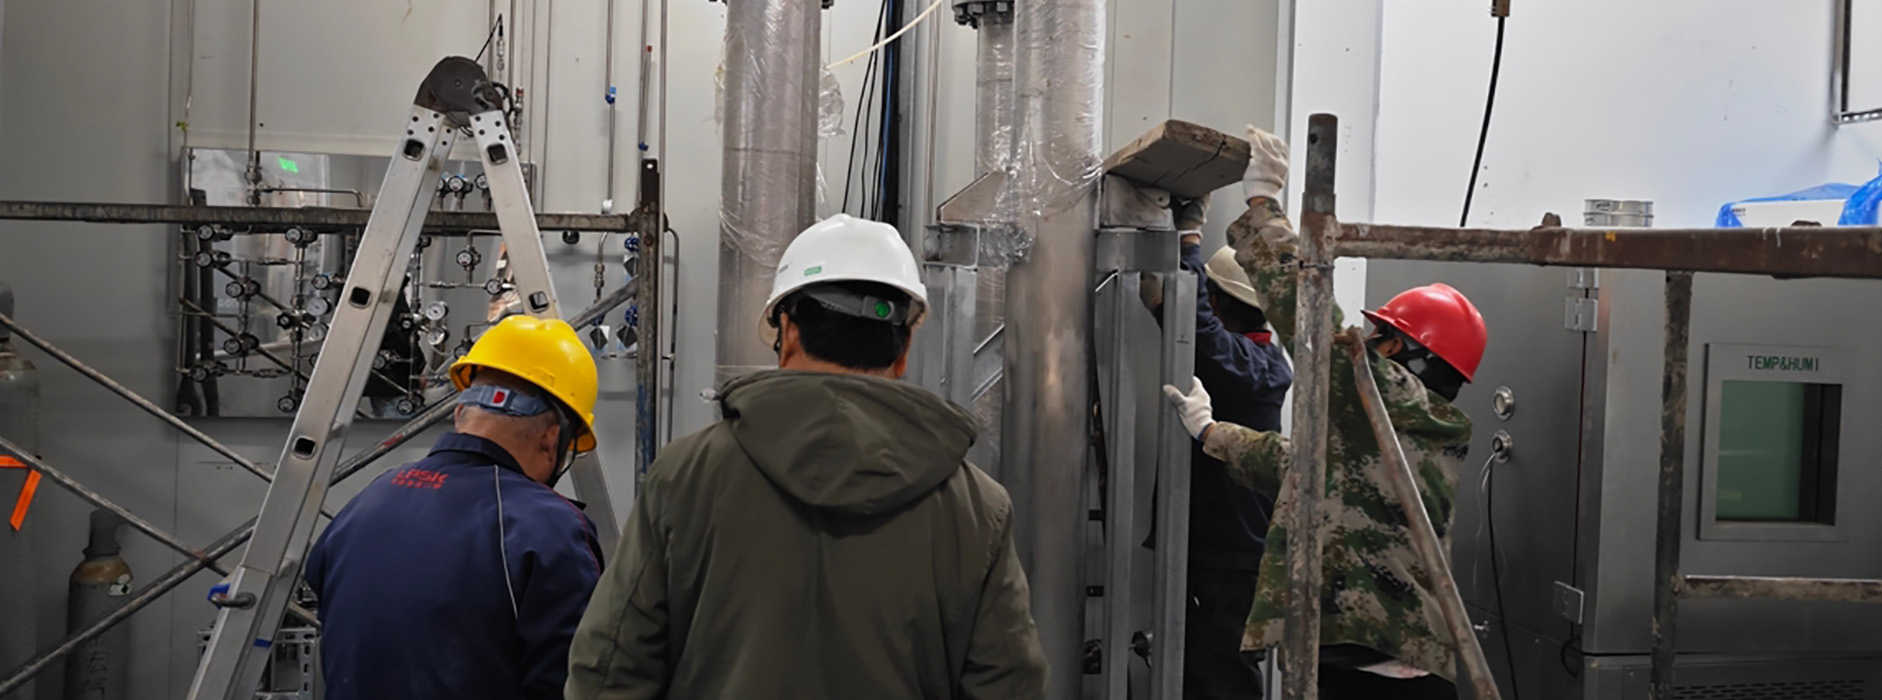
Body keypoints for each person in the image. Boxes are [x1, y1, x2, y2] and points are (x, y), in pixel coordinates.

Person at [566, 214, 1048, 700]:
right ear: (903, 350)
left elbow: (608, 675)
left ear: (788, 332)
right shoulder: (976, 509)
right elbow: (1009, 686)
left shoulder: (684, 477)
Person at [1161, 127, 1486, 699]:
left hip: (1383, 680)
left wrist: (1263, 206)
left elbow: (1313, 325)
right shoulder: (1400, 433)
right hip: (1359, 665)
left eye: (1378, 336)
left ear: (1406, 354)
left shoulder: (1398, 403)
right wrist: (1211, 431)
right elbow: (1304, 469)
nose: (1364, 341)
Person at [305, 315, 605, 700]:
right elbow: (578, 682)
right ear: (552, 439)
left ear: (462, 413)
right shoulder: (551, 526)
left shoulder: (370, 498)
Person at [1140, 196, 1293, 700]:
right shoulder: (1255, 360)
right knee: (1202, 670)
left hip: (1229, 558)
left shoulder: (1254, 367)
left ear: (1219, 301)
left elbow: (1204, 336)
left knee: (1221, 676)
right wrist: (1163, 309)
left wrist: (1190, 238)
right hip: (1223, 551)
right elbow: (1205, 341)